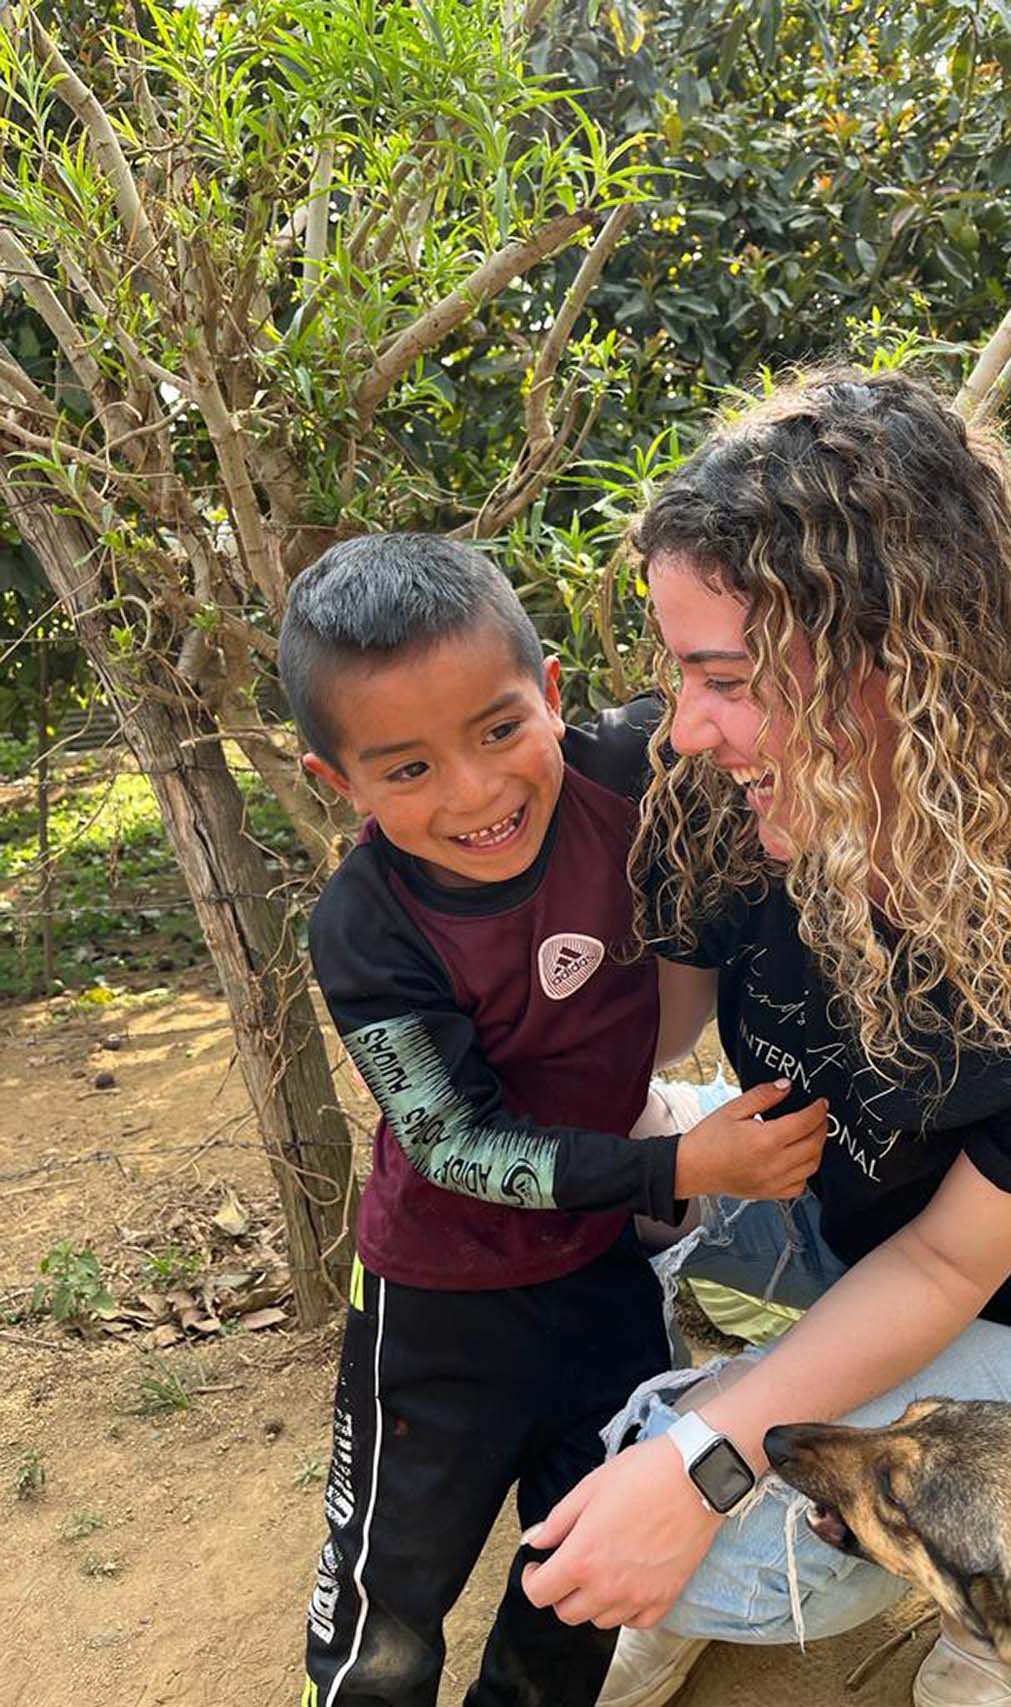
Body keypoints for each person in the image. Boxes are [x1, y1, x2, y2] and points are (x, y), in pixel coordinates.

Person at [519, 371, 1011, 1707]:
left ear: (908, 664)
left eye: (729, 679)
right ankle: (670, 1517)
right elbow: (651, 1032)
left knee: (722, 1544)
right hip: (820, 1193)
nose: (686, 728)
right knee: (555, 1199)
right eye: (680, 673)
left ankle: (1002, 1591)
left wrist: (700, 1463)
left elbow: (945, 1263)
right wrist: (465, 890)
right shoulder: (726, 788)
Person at [278, 534, 828, 1707]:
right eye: (407, 768)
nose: (475, 792)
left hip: (602, 1278)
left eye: (497, 730)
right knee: (388, 1601)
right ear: (340, 784)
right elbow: (452, 1143)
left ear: (551, 694)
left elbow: (776, 715)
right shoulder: (366, 928)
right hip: (437, 1304)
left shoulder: (628, 770)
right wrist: (678, 1164)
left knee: (581, 1572)